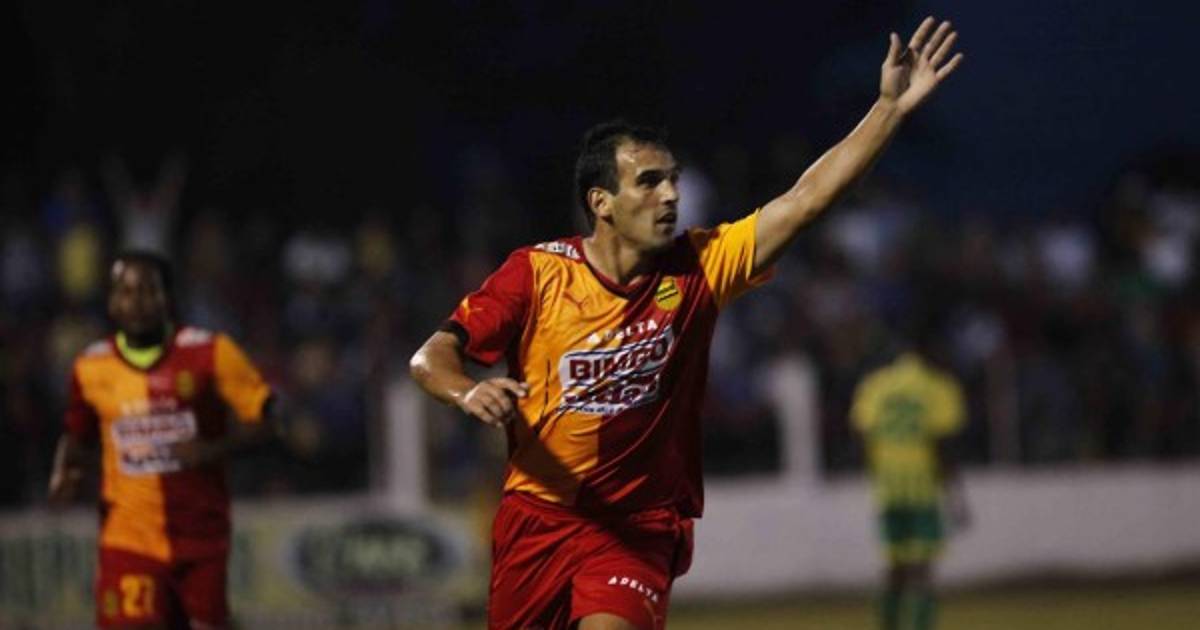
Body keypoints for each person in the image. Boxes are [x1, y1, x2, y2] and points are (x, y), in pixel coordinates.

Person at [410, 17, 963, 630]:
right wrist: (467, 391)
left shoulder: (700, 265)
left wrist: (887, 110)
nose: (670, 195)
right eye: (649, 183)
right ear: (601, 202)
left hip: (636, 528)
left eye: (672, 180)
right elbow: (430, 357)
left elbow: (804, 201)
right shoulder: (535, 273)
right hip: (536, 522)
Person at [48, 251, 279, 630]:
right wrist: (63, 471)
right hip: (129, 539)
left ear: (167, 298)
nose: (136, 302)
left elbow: (268, 423)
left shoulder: (210, 352)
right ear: (111, 301)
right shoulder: (91, 367)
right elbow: (77, 435)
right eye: (126, 292)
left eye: (147, 290)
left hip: (201, 537)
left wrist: (210, 450)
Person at [850, 311, 969, 630]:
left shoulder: (876, 385)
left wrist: (876, 469)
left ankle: (887, 624)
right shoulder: (939, 387)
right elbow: (944, 445)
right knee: (922, 568)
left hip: (888, 486)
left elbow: (861, 430)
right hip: (921, 486)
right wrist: (956, 496)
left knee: (895, 566)